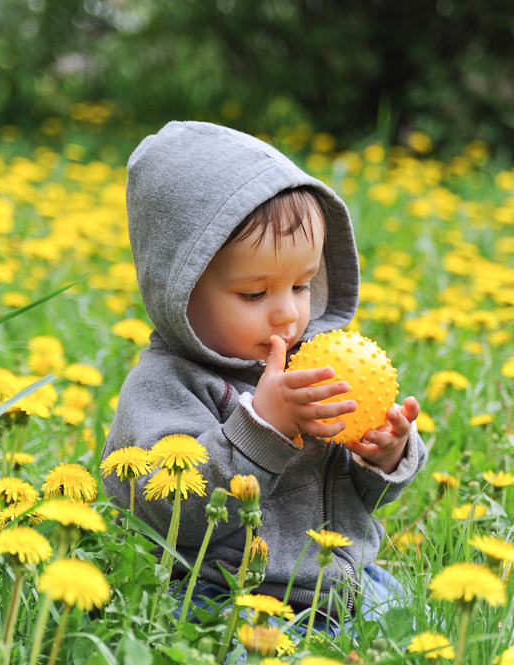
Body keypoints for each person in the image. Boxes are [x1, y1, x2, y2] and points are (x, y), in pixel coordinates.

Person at [101, 120, 427, 633]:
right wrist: (263, 429)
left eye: (301, 285)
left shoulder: (311, 364)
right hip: (224, 590)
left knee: (422, 630)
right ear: (179, 289)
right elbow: (165, 508)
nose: (287, 316)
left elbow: (356, 498)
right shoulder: (167, 386)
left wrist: (382, 454)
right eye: (255, 294)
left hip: (344, 580)